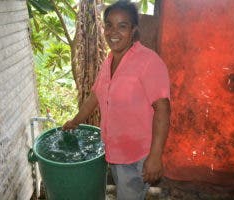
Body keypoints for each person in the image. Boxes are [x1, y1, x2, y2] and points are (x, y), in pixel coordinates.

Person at [62, 1, 171, 199]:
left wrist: (155, 156)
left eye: (122, 26)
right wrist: (75, 121)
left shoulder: (148, 61)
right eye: (109, 25)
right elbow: (95, 96)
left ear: (133, 30)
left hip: (137, 155)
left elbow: (163, 109)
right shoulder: (109, 61)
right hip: (115, 150)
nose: (114, 31)